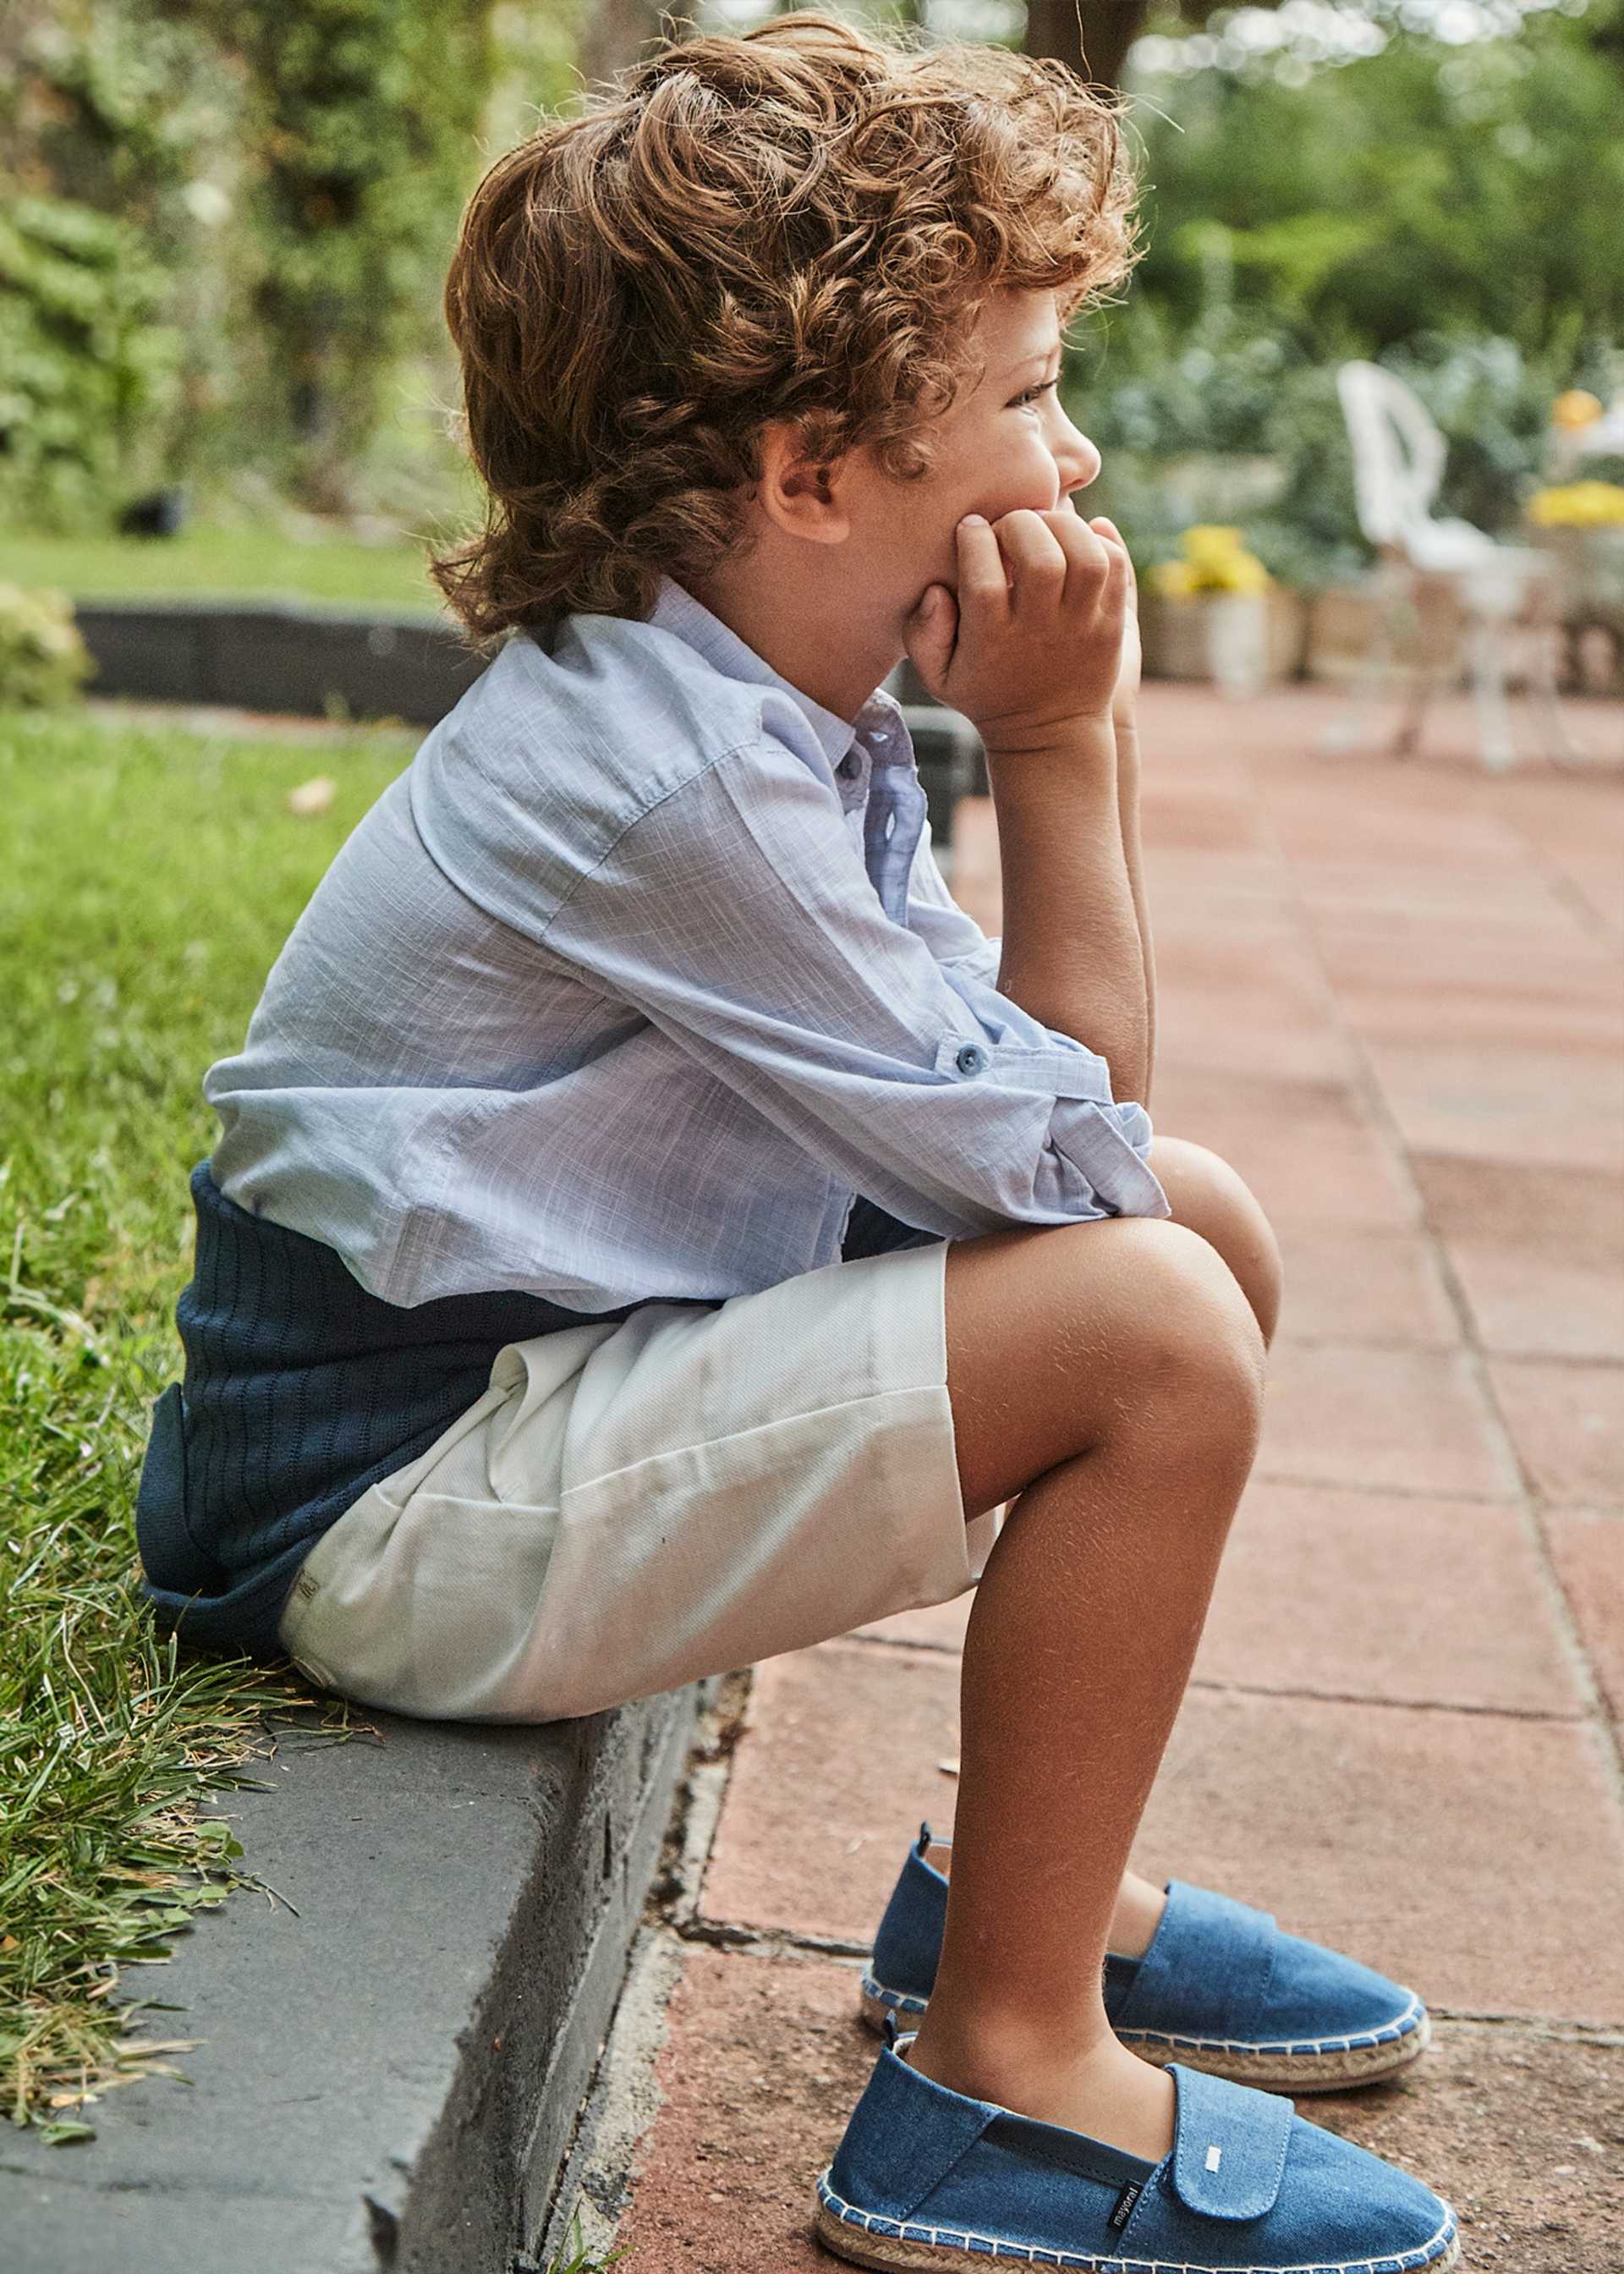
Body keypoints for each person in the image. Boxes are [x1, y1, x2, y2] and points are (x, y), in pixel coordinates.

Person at [134, 17, 1458, 2271]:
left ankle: (1031, 1902)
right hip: (388, 1498)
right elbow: (1074, 1167)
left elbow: (1083, 1144)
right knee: (1152, 1320)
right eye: (1031, 392)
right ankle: (1004, 2082)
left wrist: (1014, 741)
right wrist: (1060, 749)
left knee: (1196, 1238)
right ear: (814, 475)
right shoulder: (673, 778)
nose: (1082, 445)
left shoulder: (744, 700)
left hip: (514, 1387)